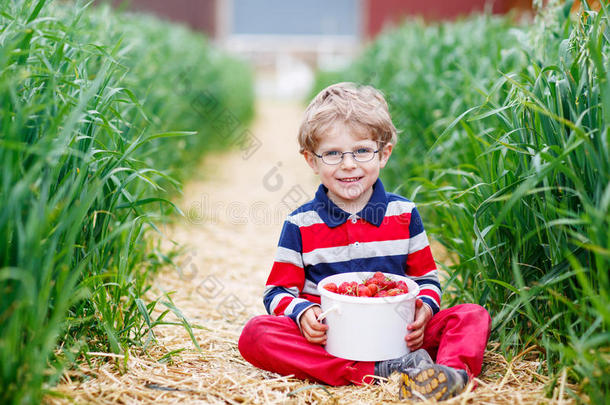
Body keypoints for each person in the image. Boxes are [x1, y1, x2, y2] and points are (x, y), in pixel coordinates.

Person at [238, 82, 491, 401]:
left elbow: (425, 279)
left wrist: (424, 309)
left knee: (471, 316)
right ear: (311, 161)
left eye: (361, 150)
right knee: (257, 334)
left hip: (399, 333)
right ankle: (380, 371)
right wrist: (303, 314)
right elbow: (277, 291)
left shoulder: (404, 214)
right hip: (334, 339)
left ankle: (449, 376)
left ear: (383, 153)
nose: (348, 164)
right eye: (332, 153)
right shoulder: (301, 224)